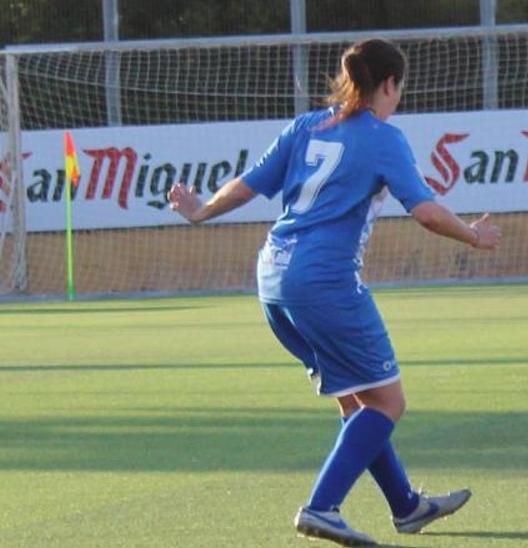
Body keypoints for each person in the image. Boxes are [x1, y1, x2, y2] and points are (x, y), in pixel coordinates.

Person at [169, 38, 501, 547]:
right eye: (399, 88)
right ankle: (322, 508)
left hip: (273, 276)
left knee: (355, 402)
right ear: (389, 83)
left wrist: (198, 211)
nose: (399, 97)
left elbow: (249, 184)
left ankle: (406, 507)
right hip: (324, 281)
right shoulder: (383, 138)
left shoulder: (306, 126)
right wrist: (475, 236)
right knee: (387, 402)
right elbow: (427, 212)